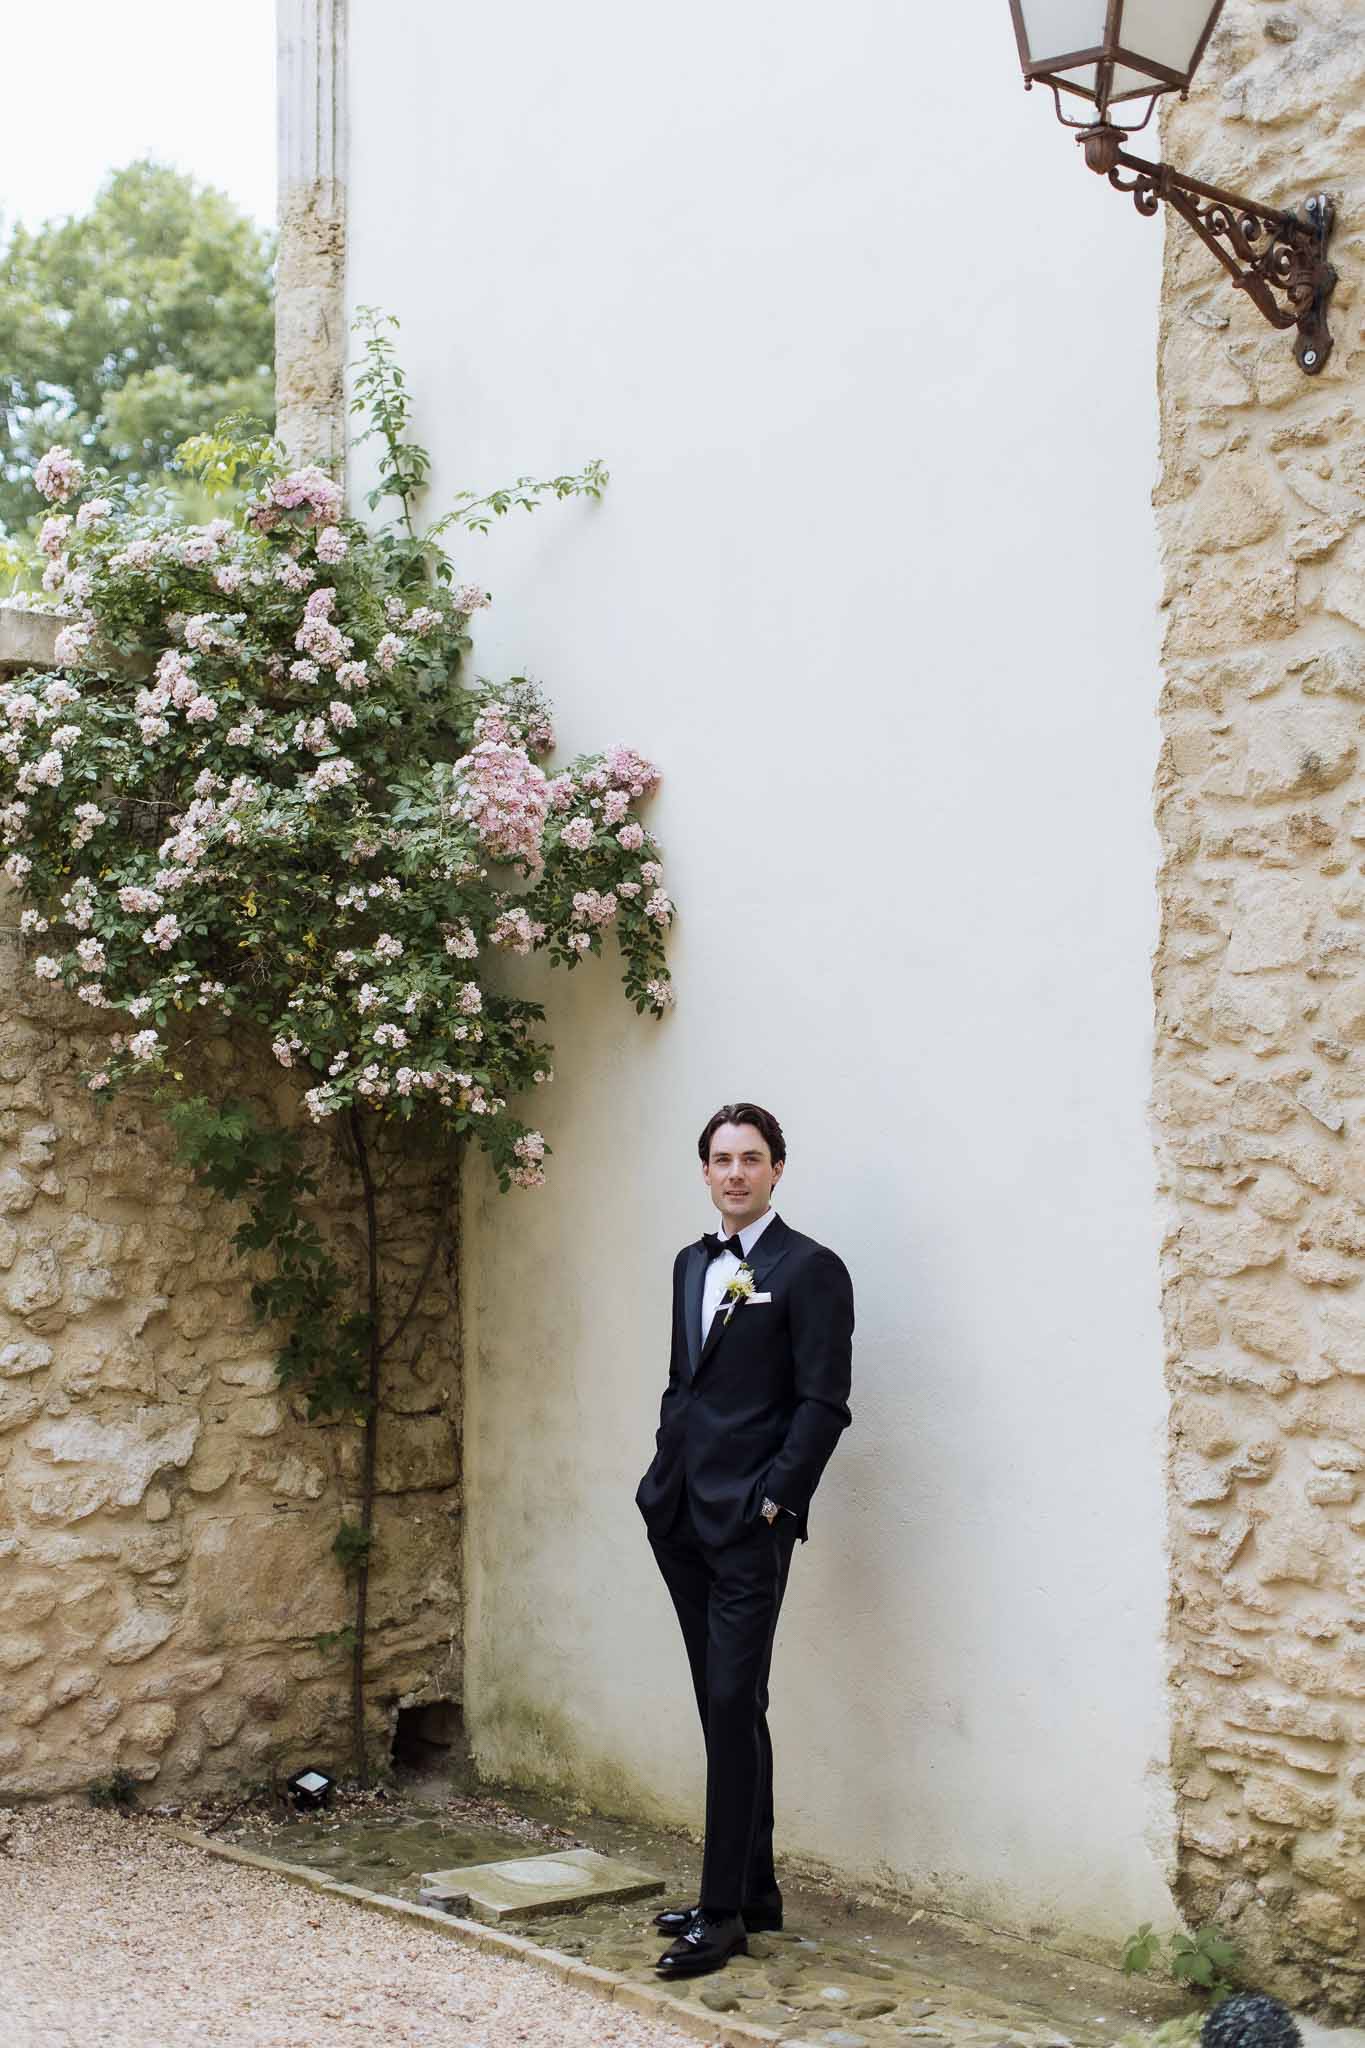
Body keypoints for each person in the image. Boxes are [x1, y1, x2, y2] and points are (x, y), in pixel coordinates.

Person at [635, 1101, 854, 1979]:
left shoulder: (811, 1269)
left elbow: (822, 1403)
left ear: (776, 1170)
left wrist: (774, 1504)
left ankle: (721, 1914)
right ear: (704, 1171)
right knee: (728, 1706)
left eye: (751, 1158)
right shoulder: (691, 1262)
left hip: (748, 1528)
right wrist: (659, 1484)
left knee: (730, 1706)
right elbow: (687, 1385)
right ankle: (751, 1889)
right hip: (680, 1516)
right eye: (721, 1158)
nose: (735, 1172)